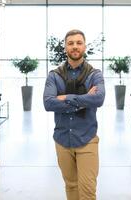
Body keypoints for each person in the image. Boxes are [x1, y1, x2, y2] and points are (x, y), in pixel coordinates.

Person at [43, 29, 105, 200]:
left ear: (84, 46)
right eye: (70, 43)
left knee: (87, 192)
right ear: (65, 48)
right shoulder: (54, 76)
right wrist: (84, 99)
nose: (75, 47)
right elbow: (48, 103)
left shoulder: (95, 74)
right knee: (71, 187)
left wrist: (65, 99)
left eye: (78, 43)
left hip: (87, 139)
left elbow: (99, 99)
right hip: (62, 139)